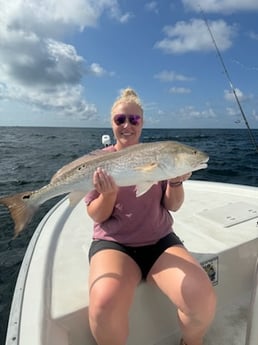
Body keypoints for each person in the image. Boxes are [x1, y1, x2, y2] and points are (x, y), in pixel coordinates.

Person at [85, 88, 216, 345]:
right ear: (112, 123)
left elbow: (172, 206)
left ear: (142, 122)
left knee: (202, 298)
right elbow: (96, 215)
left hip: (160, 241)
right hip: (115, 244)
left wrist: (176, 183)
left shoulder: (160, 156)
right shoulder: (99, 161)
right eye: (120, 119)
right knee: (103, 304)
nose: (127, 125)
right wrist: (108, 195)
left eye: (133, 119)